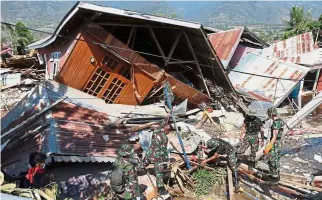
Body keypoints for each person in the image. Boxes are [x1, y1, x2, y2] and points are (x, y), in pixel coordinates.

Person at [141, 122, 172, 198]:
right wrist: (166, 160)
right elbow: (164, 150)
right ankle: (161, 190)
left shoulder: (156, 131)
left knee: (142, 165)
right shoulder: (164, 138)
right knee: (159, 173)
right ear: (168, 130)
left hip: (149, 153)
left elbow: (161, 124)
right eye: (169, 132)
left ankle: (131, 171)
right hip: (157, 157)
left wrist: (167, 117)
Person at [264, 107, 284, 184]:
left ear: (270, 114)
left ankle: (273, 179)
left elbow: (275, 135)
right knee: (277, 159)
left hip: (275, 143)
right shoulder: (280, 121)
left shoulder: (276, 123)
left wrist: (269, 146)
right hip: (279, 142)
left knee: (272, 160)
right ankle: (277, 176)